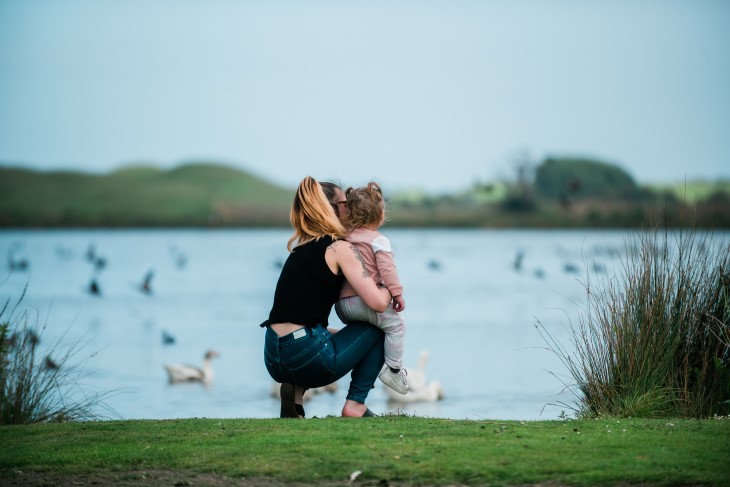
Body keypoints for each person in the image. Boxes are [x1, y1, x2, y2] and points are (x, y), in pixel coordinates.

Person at [261, 177, 392, 418]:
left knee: (322, 335)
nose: (350, 207)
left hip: (272, 354)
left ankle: (296, 398)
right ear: (330, 209)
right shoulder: (338, 248)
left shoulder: (299, 250)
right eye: (345, 203)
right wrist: (389, 286)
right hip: (305, 355)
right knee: (378, 330)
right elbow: (378, 303)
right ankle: (356, 405)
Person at [335, 182, 409, 394]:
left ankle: (360, 364)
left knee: (373, 333)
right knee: (396, 326)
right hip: (365, 301)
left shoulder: (345, 238)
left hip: (342, 306)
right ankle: (394, 370)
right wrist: (397, 293)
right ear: (379, 215)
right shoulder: (379, 240)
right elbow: (387, 269)